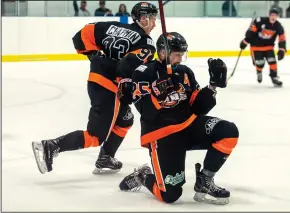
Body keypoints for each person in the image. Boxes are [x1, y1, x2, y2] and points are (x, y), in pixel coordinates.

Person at [31, 2, 158, 175]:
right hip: (111, 88)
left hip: (96, 80)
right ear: (143, 19)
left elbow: (80, 35)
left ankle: (106, 157)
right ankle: (51, 146)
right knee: (95, 136)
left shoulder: (112, 26)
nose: (155, 23)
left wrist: (94, 56)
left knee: (125, 119)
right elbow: (125, 68)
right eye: (152, 19)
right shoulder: (146, 42)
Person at [118, 32, 239, 205]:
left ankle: (205, 180)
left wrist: (212, 86)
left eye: (182, 55)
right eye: (176, 55)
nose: (180, 59)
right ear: (162, 52)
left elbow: (198, 108)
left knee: (228, 131)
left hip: (188, 126)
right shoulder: (144, 72)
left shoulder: (184, 72)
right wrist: (159, 97)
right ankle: (143, 176)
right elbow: (146, 112)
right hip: (162, 134)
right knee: (170, 195)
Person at [239, 8, 286, 87]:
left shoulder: (278, 26)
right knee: (260, 63)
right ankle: (259, 71)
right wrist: (245, 41)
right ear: (269, 15)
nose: (273, 17)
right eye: (272, 15)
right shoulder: (260, 21)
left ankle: (274, 78)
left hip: (268, 47)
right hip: (256, 47)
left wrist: (282, 49)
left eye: (275, 15)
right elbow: (251, 31)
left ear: (278, 16)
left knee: (272, 62)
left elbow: (282, 38)